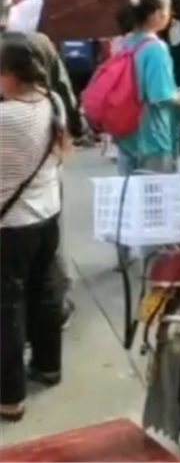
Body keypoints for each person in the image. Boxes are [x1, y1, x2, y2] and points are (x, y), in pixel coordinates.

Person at [0, 32, 70, 421]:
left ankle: (10, 397)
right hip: (47, 215)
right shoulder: (52, 100)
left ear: (10, 74)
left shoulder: (6, 118)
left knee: (6, 306)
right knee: (44, 290)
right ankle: (48, 365)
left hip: (11, 227)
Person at [113, 0, 180, 177]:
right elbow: (161, 96)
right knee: (155, 192)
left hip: (126, 133)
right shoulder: (156, 48)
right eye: (168, 9)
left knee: (130, 191)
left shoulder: (125, 42)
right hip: (153, 135)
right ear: (157, 14)